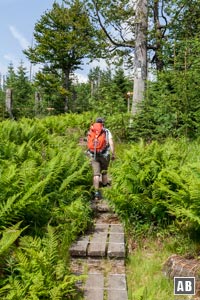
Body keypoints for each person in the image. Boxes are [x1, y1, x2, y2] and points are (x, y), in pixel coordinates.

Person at [87, 117, 115, 200]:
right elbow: (111, 143)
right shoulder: (106, 131)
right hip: (105, 155)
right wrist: (113, 153)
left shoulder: (91, 130)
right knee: (104, 172)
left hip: (93, 154)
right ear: (103, 123)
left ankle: (96, 193)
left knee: (96, 174)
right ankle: (105, 190)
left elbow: (88, 143)